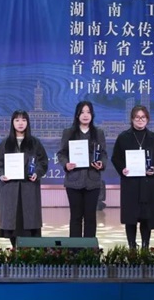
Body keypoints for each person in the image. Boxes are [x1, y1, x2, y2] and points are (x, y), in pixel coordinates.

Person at [111, 105, 154, 249]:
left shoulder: (153, 138)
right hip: (131, 184)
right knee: (130, 217)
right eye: (137, 117)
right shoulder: (123, 137)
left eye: (143, 117)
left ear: (147, 119)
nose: (140, 120)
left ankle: (145, 246)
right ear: (132, 119)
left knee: (147, 217)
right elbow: (115, 158)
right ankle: (131, 246)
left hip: (149, 183)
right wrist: (122, 169)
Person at [0, 110, 49, 248]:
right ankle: (15, 251)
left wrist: (37, 173)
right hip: (10, 188)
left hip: (29, 187)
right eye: (17, 120)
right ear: (12, 123)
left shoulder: (35, 143)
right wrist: (1, 174)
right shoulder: (6, 143)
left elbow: (43, 162)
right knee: (13, 223)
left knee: (30, 223)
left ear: (27, 123)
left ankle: (28, 253)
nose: (20, 123)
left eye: (23, 120)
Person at [57, 101, 107, 238]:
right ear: (77, 115)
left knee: (91, 217)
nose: (85, 115)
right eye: (82, 112)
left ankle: (89, 248)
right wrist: (66, 164)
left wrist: (101, 164)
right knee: (76, 216)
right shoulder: (69, 132)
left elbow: (103, 154)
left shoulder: (98, 133)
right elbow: (61, 153)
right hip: (74, 180)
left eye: (88, 112)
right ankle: (75, 248)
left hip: (93, 181)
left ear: (92, 115)